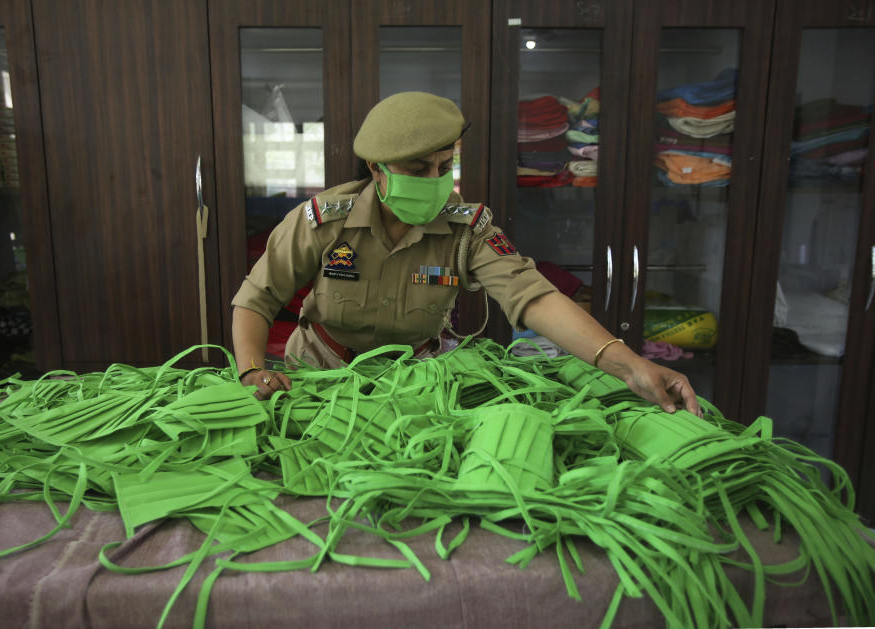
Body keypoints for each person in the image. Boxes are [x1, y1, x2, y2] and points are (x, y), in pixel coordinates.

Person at [231, 91, 700, 415]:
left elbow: (532, 298)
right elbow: (257, 298)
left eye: (445, 165)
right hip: (320, 377)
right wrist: (253, 369)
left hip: (416, 381)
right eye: (417, 169)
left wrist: (631, 366)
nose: (436, 179)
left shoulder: (468, 230)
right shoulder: (323, 220)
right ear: (376, 169)